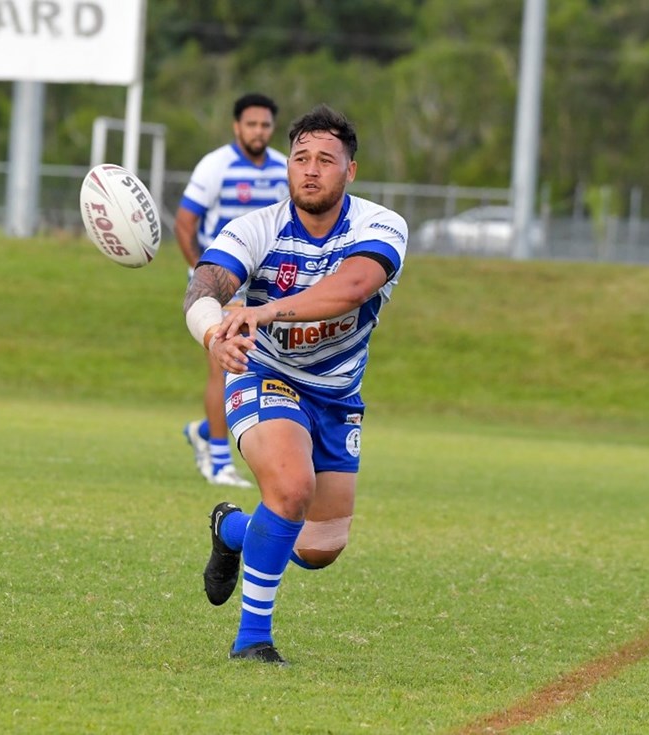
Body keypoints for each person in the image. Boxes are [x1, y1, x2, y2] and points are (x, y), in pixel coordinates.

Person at [183, 104, 409, 665]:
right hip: (266, 376)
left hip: (336, 394)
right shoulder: (254, 228)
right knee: (289, 487)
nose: (310, 170)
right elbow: (203, 288)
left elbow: (354, 286)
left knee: (317, 547)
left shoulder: (380, 225)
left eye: (326, 160)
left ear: (349, 171)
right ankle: (252, 640)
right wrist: (214, 333)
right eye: (301, 158)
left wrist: (267, 311)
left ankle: (232, 530)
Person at [175, 93, 289, 488]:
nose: (259, 131)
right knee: (224, 368)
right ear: (236, 126)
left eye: (265, 125)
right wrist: (203, 277)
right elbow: (185, 224)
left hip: (268, 291)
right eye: (251, 124)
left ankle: (207, 433)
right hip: (224, 285)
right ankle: (219, 462)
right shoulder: (216, 165)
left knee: (267, 371)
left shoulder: (283, 168)